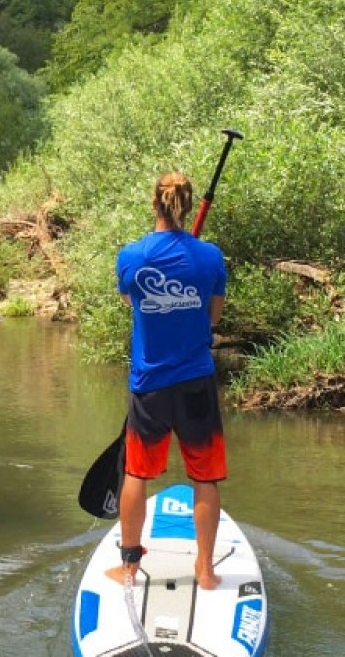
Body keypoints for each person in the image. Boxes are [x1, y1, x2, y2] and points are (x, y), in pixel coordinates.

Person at [105, 172, 228, 591]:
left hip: (150, 383)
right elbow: (213, 318)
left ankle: (128, 569)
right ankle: (206, 570)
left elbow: (131, 303)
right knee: (205, 478)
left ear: (154, 203)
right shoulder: (211, 257)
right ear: (188, 206)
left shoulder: (132, 256)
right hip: (196, 382)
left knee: (137, 474)